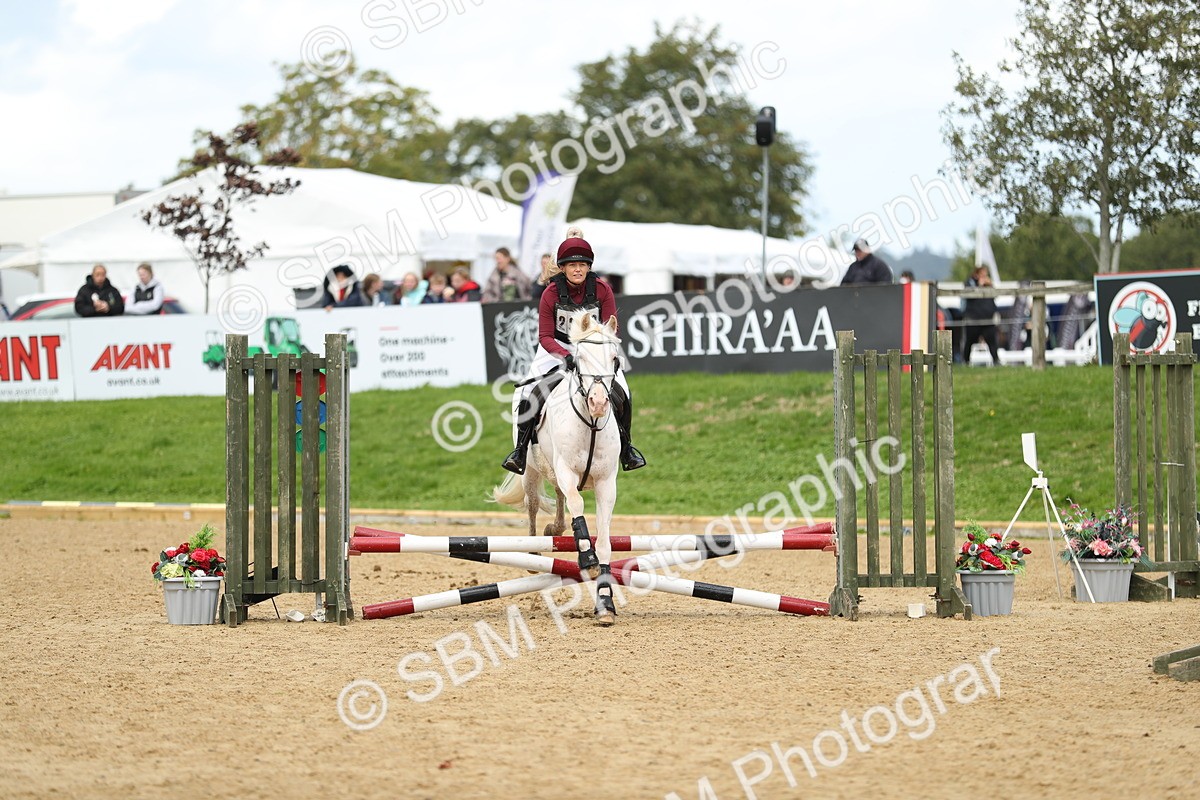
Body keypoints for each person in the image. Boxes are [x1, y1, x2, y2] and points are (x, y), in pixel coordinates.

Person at [502, 227, 645, 475]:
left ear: (589, 267)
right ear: (563, 268)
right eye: (571, 265)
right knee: (528, 391)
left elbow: (612, 329)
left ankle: (627, 448)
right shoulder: (551, 293)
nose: (577, 269)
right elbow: (545, 336)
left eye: (582, 264)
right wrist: (566, 356)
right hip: (556, 348)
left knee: (623, 390)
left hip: (592, 348)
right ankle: (520, 450)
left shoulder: (602, 289)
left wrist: (596, 352)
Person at [962, 265, 999, 365]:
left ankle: (996, 361)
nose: (984, 276)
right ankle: (966, 361)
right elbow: (968, 296)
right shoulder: (970, 282)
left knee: (992, 342)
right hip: (973, 319)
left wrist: (990, 285)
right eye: (982, 273)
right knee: (969, 341)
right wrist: (979, 285)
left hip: (988, 319)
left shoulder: (988, 284)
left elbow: (995, 296)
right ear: (977, 274)